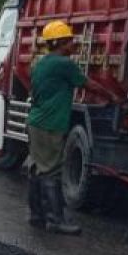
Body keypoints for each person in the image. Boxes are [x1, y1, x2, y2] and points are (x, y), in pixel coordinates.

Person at [25, 20, 116, 234]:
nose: (73, 45)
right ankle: (56, 220)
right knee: (51, 171)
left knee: (37, 169)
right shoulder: (64, 65)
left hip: (37, 122)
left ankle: (37, 215)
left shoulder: (41, 64)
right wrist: (112, 97)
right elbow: (88, 84)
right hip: (50, 125)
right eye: (69, 41)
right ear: (59, 43)